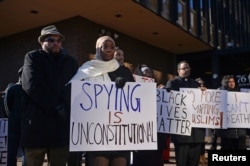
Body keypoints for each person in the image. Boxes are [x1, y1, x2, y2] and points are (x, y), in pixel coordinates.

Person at [70, 35, 135, 166]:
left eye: (112, 46)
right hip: (97, 135)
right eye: (105, 46)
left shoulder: (123, 71)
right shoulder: (86, 69)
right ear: (97, 48)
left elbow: (134, 99)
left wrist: (126, 84)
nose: (109, 49)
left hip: (119, 134)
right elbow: (75, 97)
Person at [21, 25, 78, 166]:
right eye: (51, 39)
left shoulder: (70, 62)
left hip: (60, 130)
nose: (56, 43)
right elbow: (31, 85)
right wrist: (57, 106)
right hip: (37, 127)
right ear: (42, 42)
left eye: (59, 40)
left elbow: (79, 86)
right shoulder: (32, 57)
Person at [165, 60, 205, 166]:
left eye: (188, 68)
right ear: (178, 71)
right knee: (182, 162)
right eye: (184, 68)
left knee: (194, 163)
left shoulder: (196, 84)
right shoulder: (172, 83)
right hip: (181, 132)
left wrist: (205, 94)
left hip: (196, 132)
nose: (186, 70)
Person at [132, 64, 166, 166]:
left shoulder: (159, 90)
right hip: (140, 136)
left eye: (149, 72)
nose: (148, 74)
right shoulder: (132, 90)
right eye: (144, 72)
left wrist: (164, 93)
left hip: (156, 137)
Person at [216, 75, 247, 150]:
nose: (232, 83)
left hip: (240, 132)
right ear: (225, 83)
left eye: (233, 81)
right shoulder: (220, 93)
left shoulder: (241, 93)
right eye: (229, 82)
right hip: (227, 133)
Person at [4, 67, 26, 166]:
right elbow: (7, 105)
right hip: (14, 123)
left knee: (26, 150)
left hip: (26, 124)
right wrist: (12, 117)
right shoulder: (13, 88)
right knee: (12, 149)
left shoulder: (29, 88)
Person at [195, 77, 207, 164]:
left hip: (202, 121)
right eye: (199, 84)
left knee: (202, 141)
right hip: (193, 121)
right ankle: (196, 157)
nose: (201, 85)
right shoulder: (191, 93)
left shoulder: (207, 93)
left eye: (202, 84)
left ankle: (202, 157)